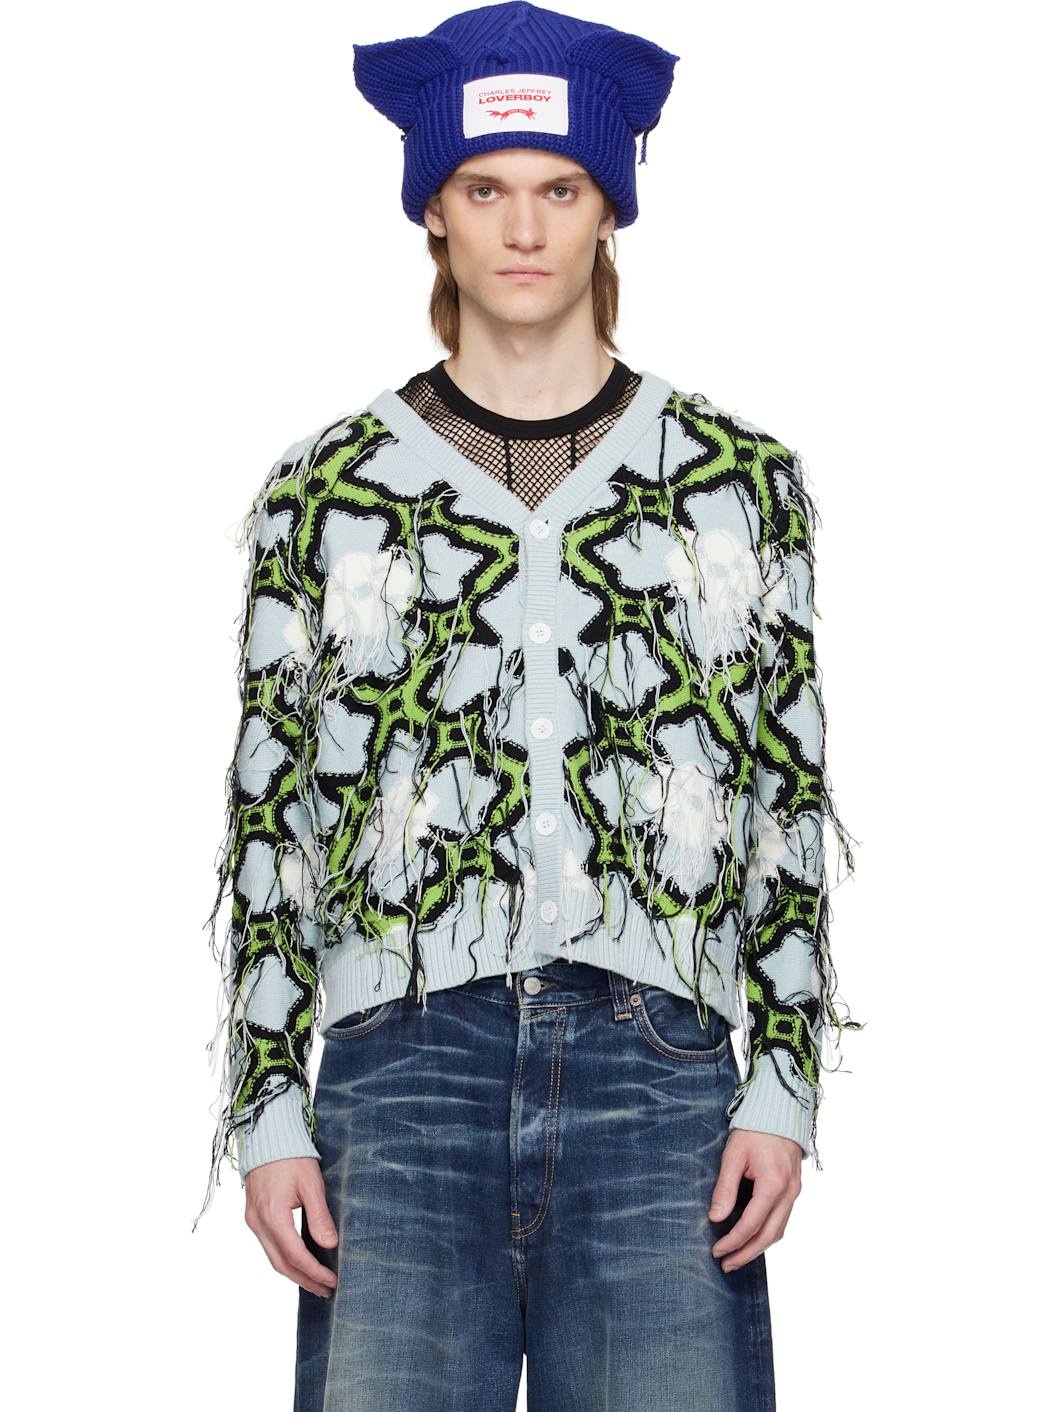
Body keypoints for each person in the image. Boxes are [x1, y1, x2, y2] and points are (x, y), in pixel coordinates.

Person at [194, 5, 862, 1408]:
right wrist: (264, 1107)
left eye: (560, 190)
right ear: (432, 210)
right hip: (400, 1065)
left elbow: (784, 802)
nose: (523, 230)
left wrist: (783, 1084)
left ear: (609, 209)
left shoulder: (736, 482)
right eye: (486, 188)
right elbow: (273, 814)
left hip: (660, 1068)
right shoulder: (328, 490)